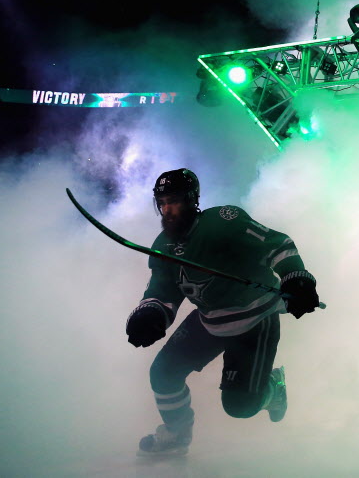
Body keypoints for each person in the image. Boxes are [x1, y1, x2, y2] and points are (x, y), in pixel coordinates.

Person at [126, 168, 320, 456]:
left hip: (255, 318)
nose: (167, 210)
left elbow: (277, 245)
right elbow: (162, 292)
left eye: (174, 201)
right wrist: (150, 314)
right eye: (162, 202)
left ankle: (273, 386)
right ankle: (178, 433)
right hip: (210, 319)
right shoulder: (163, 247)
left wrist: (296, 277)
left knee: (240, 407)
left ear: (192, 200)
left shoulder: (223, 221)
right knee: (163, 373)